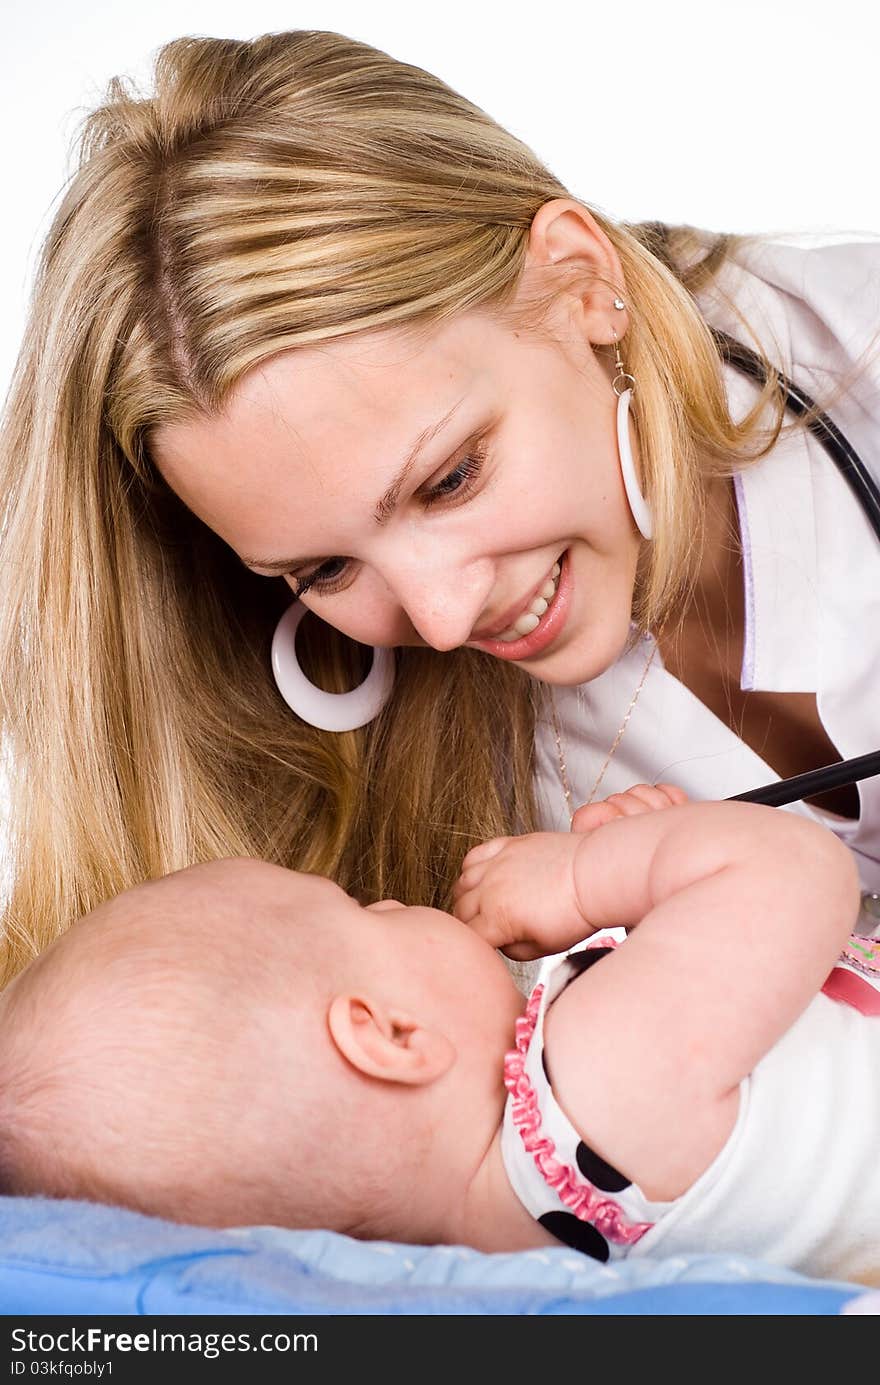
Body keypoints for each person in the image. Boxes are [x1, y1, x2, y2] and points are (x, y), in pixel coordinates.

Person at [1, 29, 879, 986]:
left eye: (451, 477)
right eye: (322, 569)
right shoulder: (371, 844)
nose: (444, 615)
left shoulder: (855, 337)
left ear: (582, 282)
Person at [0, 788, 876, 1286]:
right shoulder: (593, 1076)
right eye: (359, 908)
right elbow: (798, 869)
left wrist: (652, 875)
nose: (391, 900)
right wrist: (581, 876)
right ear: (389, 1034)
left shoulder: (509, 1245)